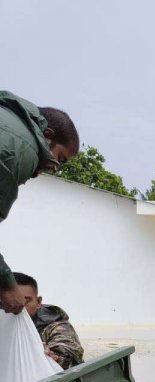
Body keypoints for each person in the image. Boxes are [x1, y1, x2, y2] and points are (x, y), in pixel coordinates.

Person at [0, 92, 79, 314]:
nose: (54, 167)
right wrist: (6, 284)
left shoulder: (8, 120)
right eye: (59, 158)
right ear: (47, 135)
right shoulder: (21, 149)